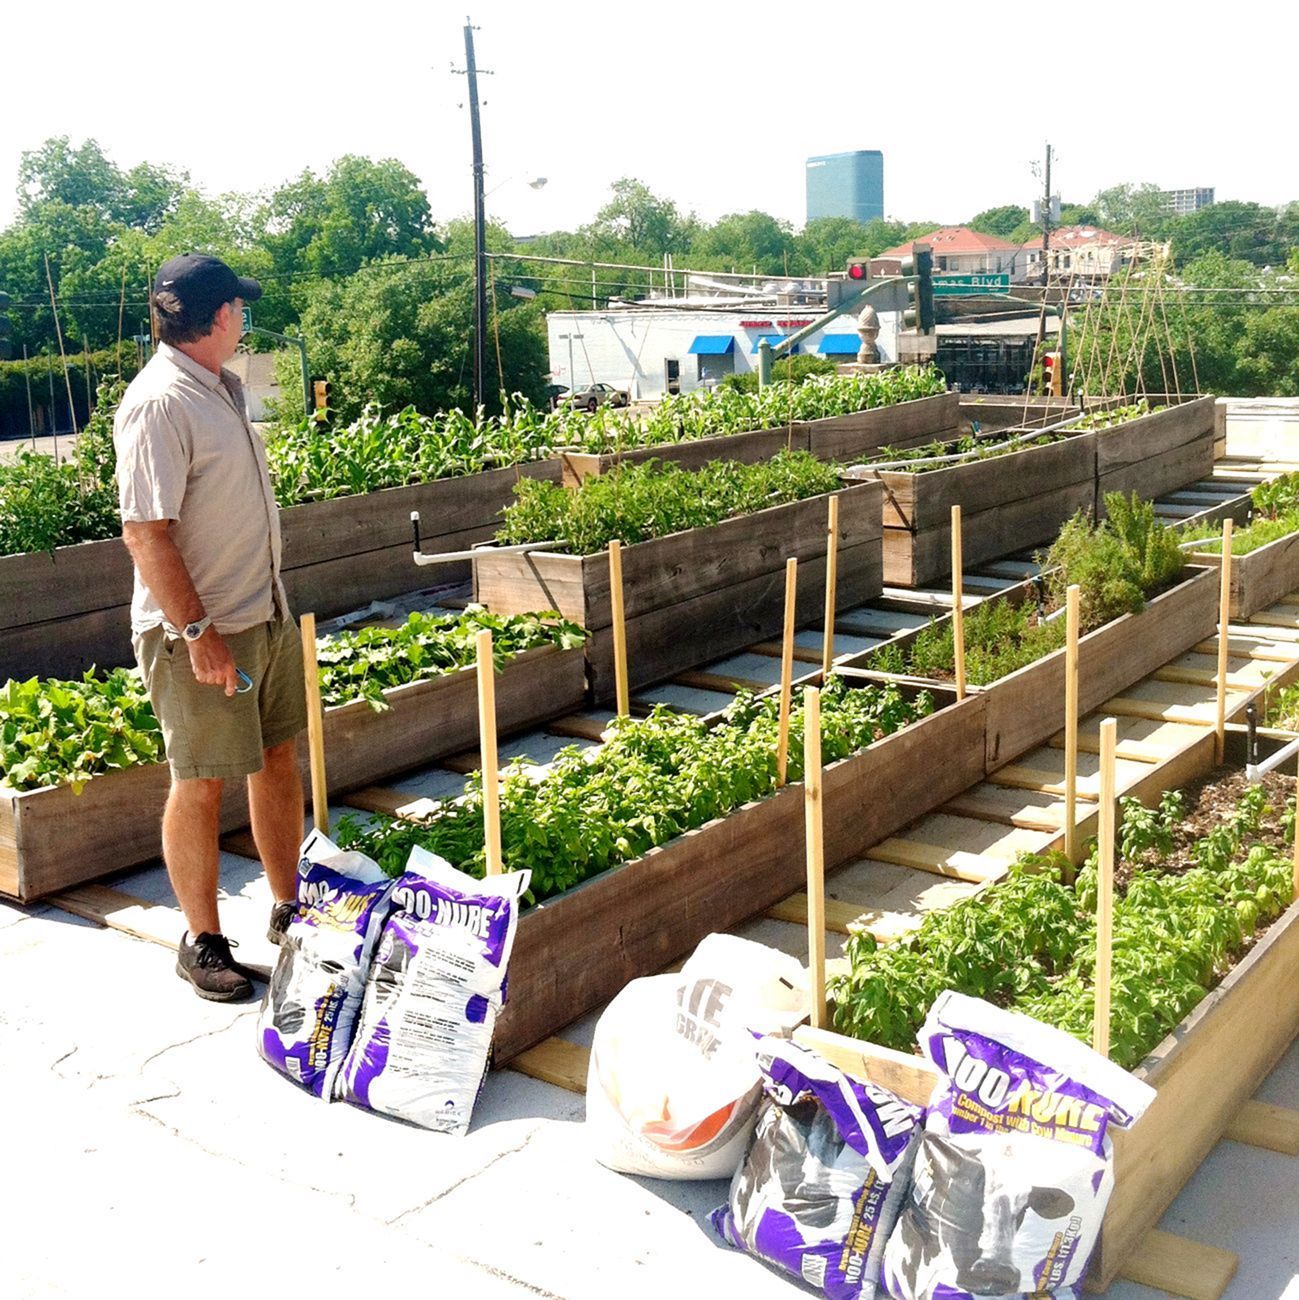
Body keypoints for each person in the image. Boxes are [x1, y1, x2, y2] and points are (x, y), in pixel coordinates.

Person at [114, 253, 307, 1003]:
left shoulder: (219, 389)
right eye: (239, 308)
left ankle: (287, 907)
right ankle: (201, 940)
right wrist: (198, 634)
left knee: (276, 757)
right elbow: (145, 534)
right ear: (220, 316)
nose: (243, 320)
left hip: (260, 611)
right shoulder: (160, 401)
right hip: (198, 631)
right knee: (199, 782)